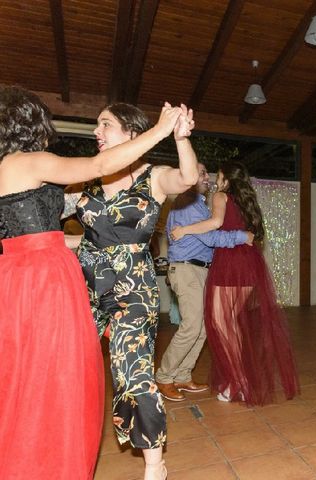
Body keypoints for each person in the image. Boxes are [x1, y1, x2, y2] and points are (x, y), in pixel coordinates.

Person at [0, 86, 181, 479]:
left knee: (37, 375)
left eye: (105, 123)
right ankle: (50, 460)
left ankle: (39, 458)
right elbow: (97, 168)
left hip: (34, 276)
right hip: (49, 282)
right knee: (61, 374)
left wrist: (103, 243)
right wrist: (160, 130)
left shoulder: (16, 168)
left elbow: (34, 228)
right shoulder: (29, 162)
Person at [67, 102, 199, 480]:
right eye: (97, 124)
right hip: (85, 286)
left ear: (131, 133)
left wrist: (181, 138)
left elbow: (187, 178)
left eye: (105, 124)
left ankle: (155, 465)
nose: (97, 131)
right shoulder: (86, 180)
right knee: (72, 367)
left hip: (132, 290)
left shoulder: (152, 177)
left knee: (133, 372)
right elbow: (45, 213)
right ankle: (67, 444)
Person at [170, 162, 299, 406]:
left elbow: (216, 223)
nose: (214, 179)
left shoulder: (221, 196)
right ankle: (236, 380)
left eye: (218, 176)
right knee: (232, 325)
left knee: (220, 324)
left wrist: (185, 230)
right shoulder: (247, 201)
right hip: (250, 265)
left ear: (226, 178)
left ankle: (238, 380)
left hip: (229, 264)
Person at [156, 162, 253, 401]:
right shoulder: (186, 203)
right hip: (187, 269)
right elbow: (211, 237)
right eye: (201, 174)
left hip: (199, 269)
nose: (207, 179)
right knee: (191, 326)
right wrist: (242, 236)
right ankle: (164, 377)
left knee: (202, 328)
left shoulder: (199, 204)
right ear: (188, 178)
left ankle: (182, 375)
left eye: (208, 175)